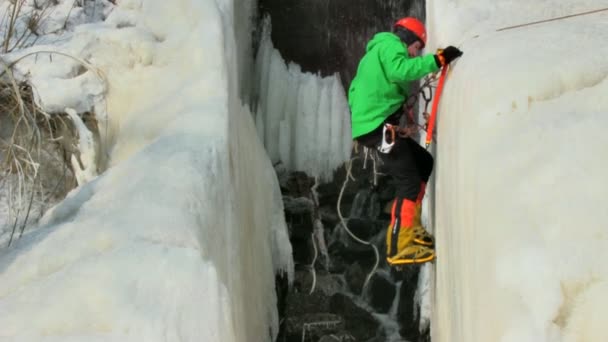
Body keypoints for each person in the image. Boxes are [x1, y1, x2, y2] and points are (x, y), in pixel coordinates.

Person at [348, 17, 462, 266]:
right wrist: (436, 60)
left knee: (423, 162)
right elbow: (400, 70)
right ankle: (400, 245)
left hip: (377, 126)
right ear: (408, 37)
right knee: (408, 178)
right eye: (417, 47)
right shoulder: (391, 46)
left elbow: (360, 89)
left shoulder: (379, 51)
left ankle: (413, 228)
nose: (415, 53)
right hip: (377, 127)